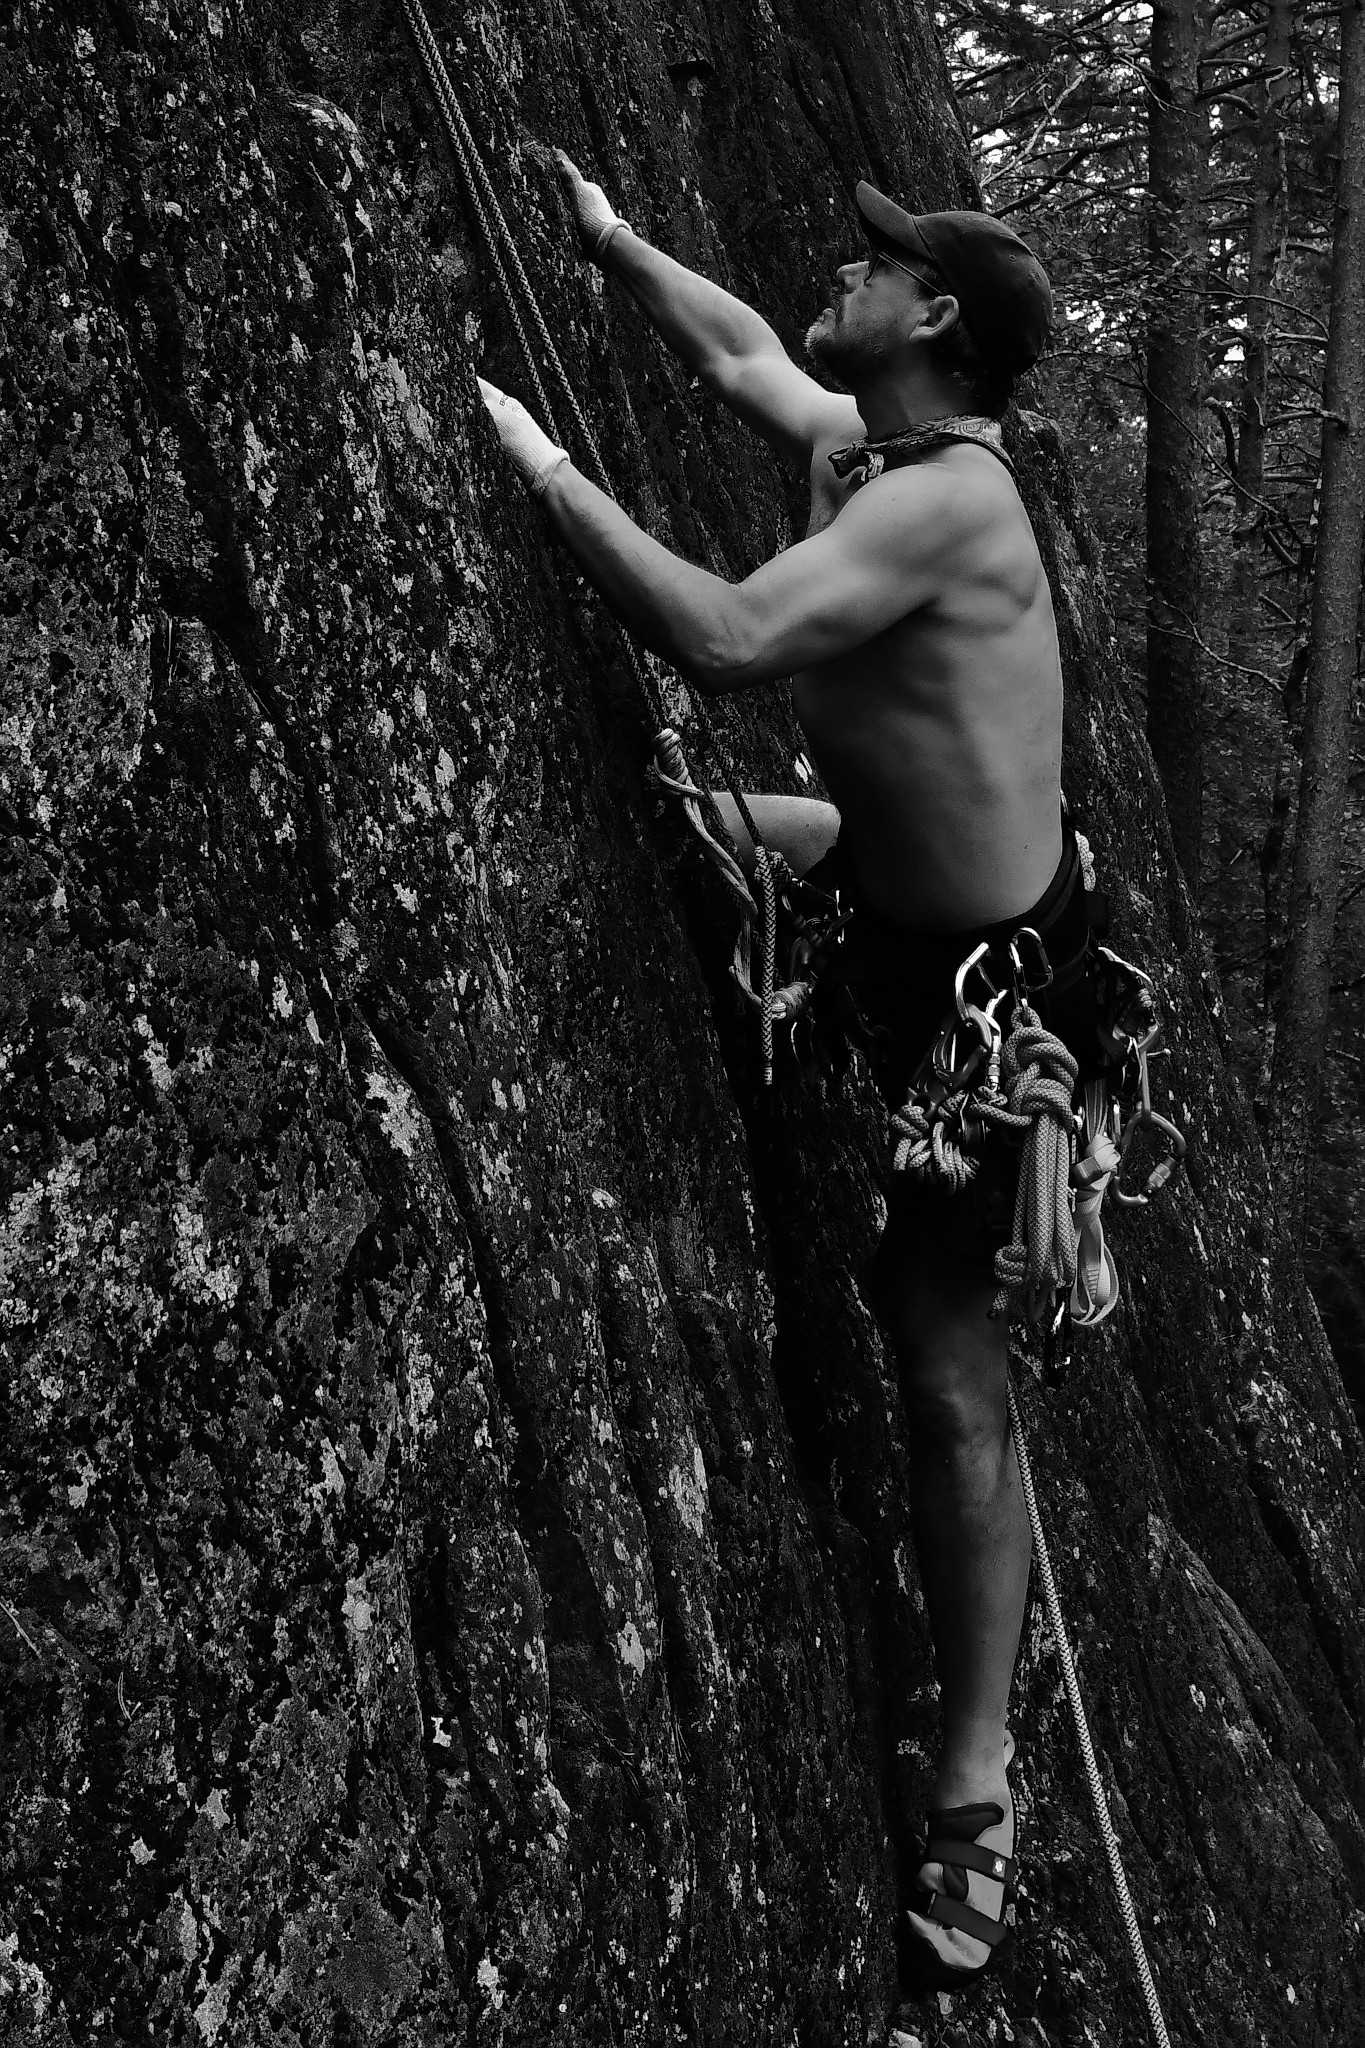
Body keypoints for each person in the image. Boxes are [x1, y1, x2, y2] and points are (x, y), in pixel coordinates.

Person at [477, 156, 1081, 1992]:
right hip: (886, 894)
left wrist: (543, 471)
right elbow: (745, 356)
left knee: (945, 1373)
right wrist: (606, 241)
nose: (844, 263)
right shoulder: (880, 447)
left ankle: (976, 1777)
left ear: (936, 328)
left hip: (989, 995)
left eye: (882, 263)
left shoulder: (949, 506)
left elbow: (726, 639)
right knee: (684, 830)